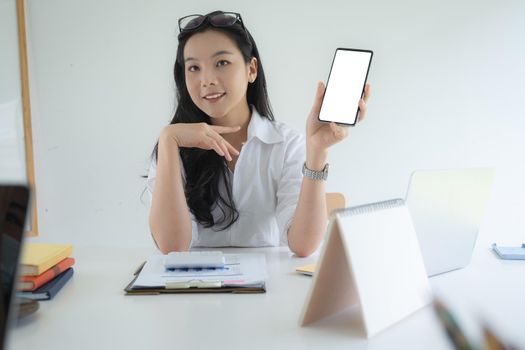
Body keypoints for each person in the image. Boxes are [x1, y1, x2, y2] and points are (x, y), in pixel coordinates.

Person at [146, 11, 370, 257]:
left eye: (221, 63)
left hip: (269, 289)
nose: (207, 79)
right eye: (194, 68)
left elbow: (303, 245)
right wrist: (168, 140)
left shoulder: (285, 144)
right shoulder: (173, 145)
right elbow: (172, 247)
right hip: (193, 289)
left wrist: (317, 151)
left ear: (251, 69)